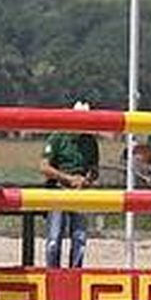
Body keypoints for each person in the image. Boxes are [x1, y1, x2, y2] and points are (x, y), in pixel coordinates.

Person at [41, 100, 100, 268]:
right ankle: (54, 271)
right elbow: (44, 167)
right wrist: (68, 179)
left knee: (79, 238)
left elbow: (94, 169)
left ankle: (75, 271)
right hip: (59, 189)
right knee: (54, 237)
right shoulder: (58, 137)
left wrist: (86, 179)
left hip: (79, 189)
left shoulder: (90, 141)